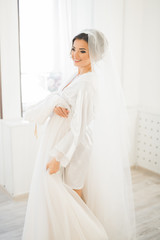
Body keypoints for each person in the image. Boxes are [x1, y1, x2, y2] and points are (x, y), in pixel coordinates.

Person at [22, 29, 136, 240]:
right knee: (67, 193)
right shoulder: (77, 74)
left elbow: (79, 127)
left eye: (82, 51)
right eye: (73, 49)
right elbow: (66, 100)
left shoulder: (87, 83)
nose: (75, 55)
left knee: (72, 194)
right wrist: (57, 104)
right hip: (65, 141)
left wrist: (58, 156)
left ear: (96, 54)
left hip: (74, 146)